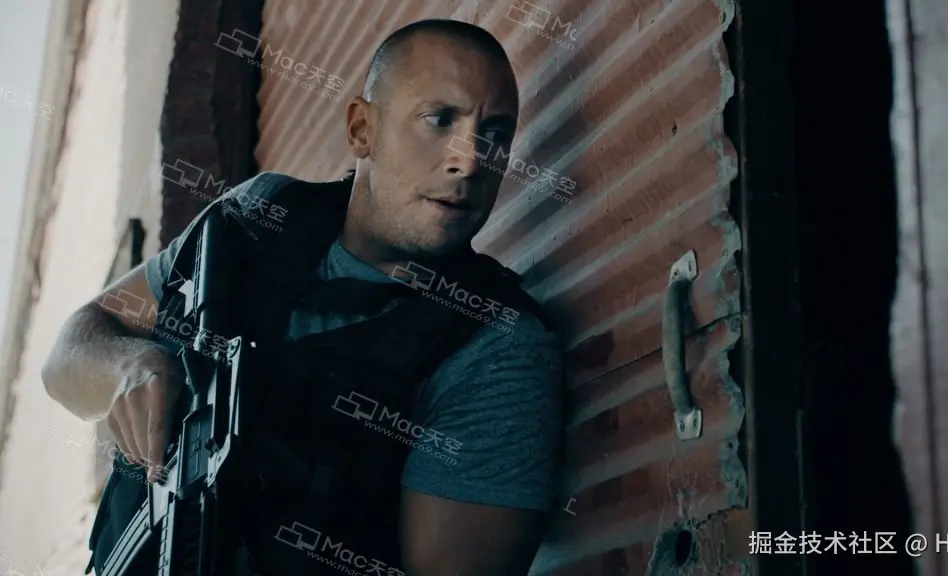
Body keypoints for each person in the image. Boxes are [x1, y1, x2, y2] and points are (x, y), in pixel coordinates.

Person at [41, 18, 563, 576]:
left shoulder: (495, 348)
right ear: (361, 129)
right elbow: (66, 358)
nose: (471, 160)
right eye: (440, 120)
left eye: (495, 134)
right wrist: (131, 365)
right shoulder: (255, 217)